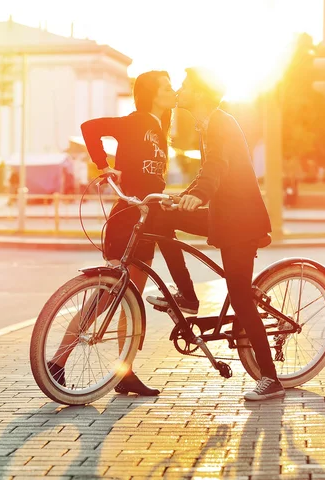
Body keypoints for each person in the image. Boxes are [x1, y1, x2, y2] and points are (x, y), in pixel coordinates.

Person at [147, 67, 285, 401]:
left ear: (201, 93)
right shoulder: (208, 123)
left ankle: (271, 379)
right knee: (160, 219)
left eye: (185, 85)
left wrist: (201, 194)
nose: (180, 89)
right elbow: (209, 170)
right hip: (224, 216)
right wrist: (184, 198)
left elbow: (217, 166)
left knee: (240, 297)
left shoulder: (221, 123)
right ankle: (188, 297)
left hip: (240, 222)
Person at [47, 70, 176, 396]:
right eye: (167, 86)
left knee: (129, 302)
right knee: (107, 297)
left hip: (147, 222)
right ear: (152, 93)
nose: (171, 90)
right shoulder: (136, 121)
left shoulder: (160, 129)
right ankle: (58, 363)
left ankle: (125, 372)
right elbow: (90, 129)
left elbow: (151, 180)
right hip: (127, 220)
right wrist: (102, 165)